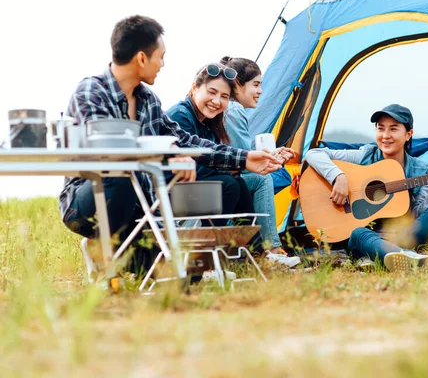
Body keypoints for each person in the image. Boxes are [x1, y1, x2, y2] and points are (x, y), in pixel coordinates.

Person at [59, 15, 281, 274]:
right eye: (160, 56)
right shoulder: (91, 91)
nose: (163, 64)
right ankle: (105, 244)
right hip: (89, 201)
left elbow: (185, 140)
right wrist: (164, 157)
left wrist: (244, 158)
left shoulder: (148, 100)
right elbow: (107, 152)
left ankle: (108, 250)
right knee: (117, 176)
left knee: (190, 271)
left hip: (141, 210)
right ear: (142, 58)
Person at [304, 104, 428, 273]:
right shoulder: (365, 155)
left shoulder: (421, 171)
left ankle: (391, 255)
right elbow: (314, 153)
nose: (385, 136)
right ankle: (403, 256)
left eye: (393, 129)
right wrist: (337, 176)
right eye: (381, 129)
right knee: (358, 233)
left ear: (408, 134)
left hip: (403, 236)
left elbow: (417, 215)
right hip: (367, 239)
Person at [222, 57, 298, 263]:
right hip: (223, 178)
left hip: (224, 175)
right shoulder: (234, 109)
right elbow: (242, 160)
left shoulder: (231, 108)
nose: (260, 91)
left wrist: (271, 156)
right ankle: (272, 250)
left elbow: (240, 152)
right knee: (264, 179)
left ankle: (267, 249)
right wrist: (272, 161)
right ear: (237, 84)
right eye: (255, 84)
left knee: (269, 176)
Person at [166, 63, 254, 217]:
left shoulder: (209, 121)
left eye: (224, 96)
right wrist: (230, 167)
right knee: (228, 185)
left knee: (238, 182)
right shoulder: (180, 115)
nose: (216, 101)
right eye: (212, 92)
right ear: (194, 88)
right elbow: (196, 164)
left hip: (187, 189)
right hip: (168, 189)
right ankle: (207, 239)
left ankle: (256, 241)